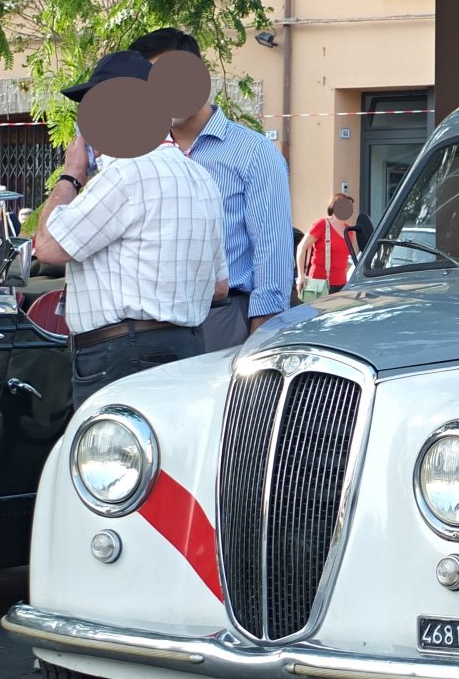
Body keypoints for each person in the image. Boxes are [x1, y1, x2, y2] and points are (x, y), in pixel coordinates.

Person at [32, 50, 227, 407]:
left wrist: (71, 175)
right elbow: (218, 287)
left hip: (119, 355)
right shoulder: (202, 177)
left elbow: (46, 247)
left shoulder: (124, 172)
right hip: (187, 348)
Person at [128, 27, 294, 351]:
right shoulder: (142, 155)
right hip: (151, 323)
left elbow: (272, 253)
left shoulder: (253, 153)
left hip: (225, 319)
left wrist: (262, 338)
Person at [296, 193, 356, 298]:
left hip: (342, 284)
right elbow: (302, 247)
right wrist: (301, 276)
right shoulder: (322, 224)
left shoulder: (349, 230)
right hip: (319, 283)